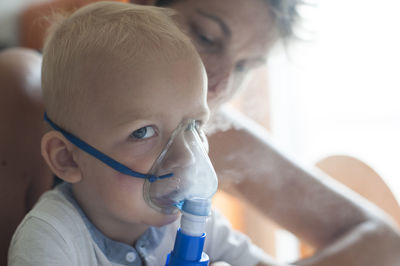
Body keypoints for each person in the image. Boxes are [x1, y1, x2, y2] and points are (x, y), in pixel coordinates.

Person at [1, 0, 400, 265]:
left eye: (245, 65)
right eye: (207, 37)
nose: (220, 81)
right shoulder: (23, 92)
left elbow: (383, 241)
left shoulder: (206, 135)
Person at [7, 2, 280, 265]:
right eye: (143, 132)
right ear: (67, 158)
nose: (185, 156)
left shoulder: (197, 223)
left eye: (195, 125)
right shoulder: (51, 237)